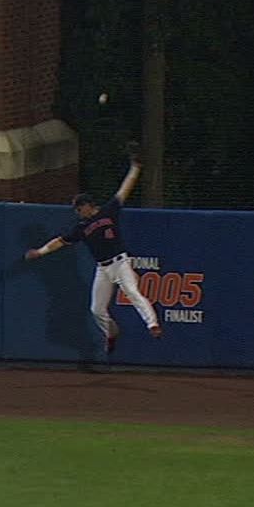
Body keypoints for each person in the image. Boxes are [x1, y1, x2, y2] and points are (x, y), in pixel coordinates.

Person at [24, 142, 161, 352]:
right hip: (103, 268)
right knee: (96, 309)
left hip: (121, 262)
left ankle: (152, 324)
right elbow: (60, 241)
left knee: (132, 292)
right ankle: (111, 333)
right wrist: (40, 251)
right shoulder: (81, 227)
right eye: (76, 209)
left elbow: (124, 190)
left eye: (80, 207)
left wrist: (135, 168)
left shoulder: (108, 211)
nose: (78, 211)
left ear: (88, 205)